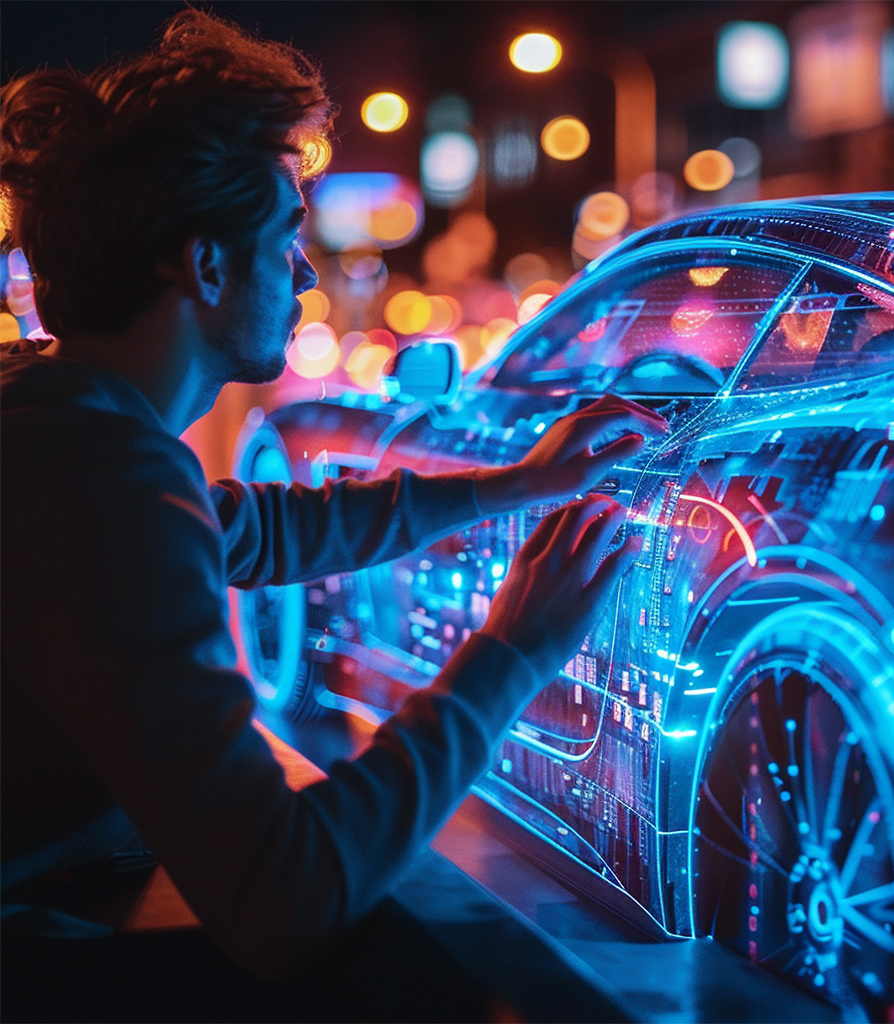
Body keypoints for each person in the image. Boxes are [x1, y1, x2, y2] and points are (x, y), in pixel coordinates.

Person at [0, 9, 667, 980]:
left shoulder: (61, 421)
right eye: (285, 234)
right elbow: (282, 892)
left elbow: (257, 530)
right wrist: (511, 653)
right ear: (207, 263)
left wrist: (513, 484)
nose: (305, 269)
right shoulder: (103, 486)